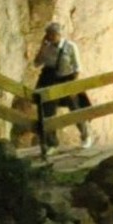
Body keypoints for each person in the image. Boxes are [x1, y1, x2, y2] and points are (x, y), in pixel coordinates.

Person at [34, 22, 85, 150]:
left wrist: (73, 86)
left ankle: (85, 135)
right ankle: (52, 142)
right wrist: (42, 47)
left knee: (75, 108)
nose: (49, 37)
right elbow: (36, 63)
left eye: (51, 35)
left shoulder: (70, 47)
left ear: (58, 35)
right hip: (50, 81)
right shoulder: (48, 48)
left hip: (66, 80)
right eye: (47, 35)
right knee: (48, 111)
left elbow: (77, 68)